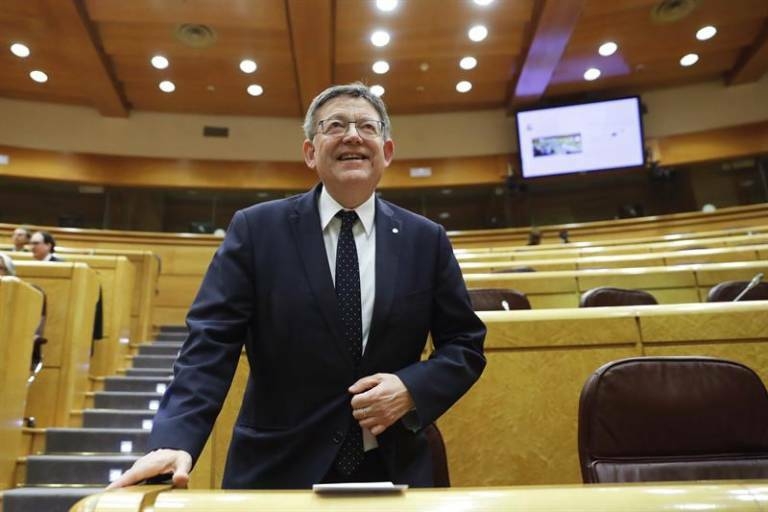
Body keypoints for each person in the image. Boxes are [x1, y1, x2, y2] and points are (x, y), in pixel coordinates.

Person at [108, 83, 486, 490]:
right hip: (276, 470)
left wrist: (412, 388)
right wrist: (174, 440)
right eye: (335, 125)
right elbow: (210, 344)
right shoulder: (256, 230)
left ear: (386, 151)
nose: (353, 135)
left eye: (367, 127)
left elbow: (464, 343)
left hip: (394, 469)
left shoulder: (426, 239)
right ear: (310, 152)